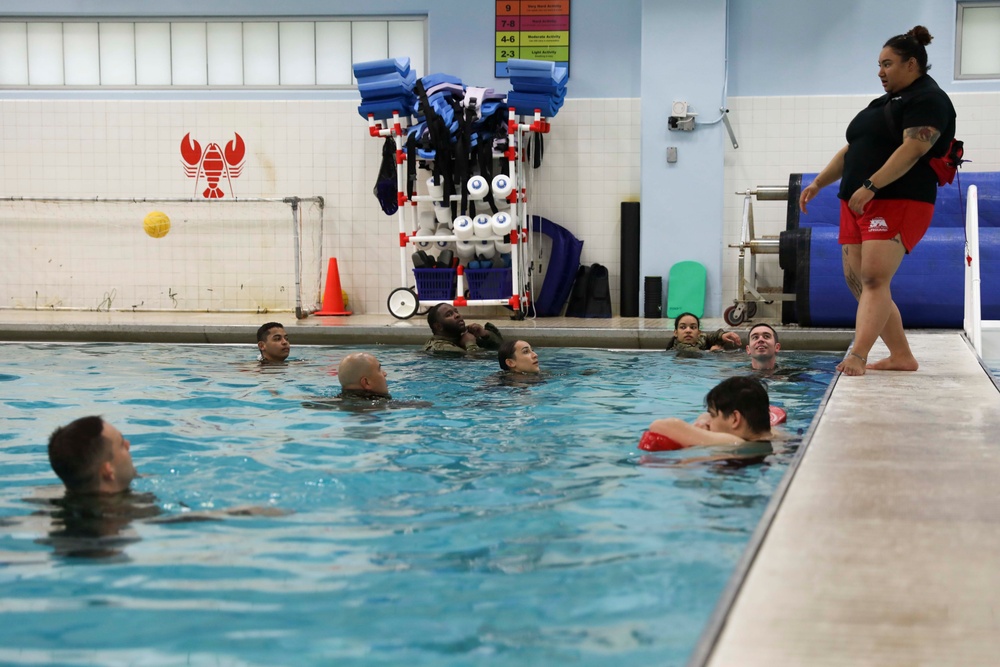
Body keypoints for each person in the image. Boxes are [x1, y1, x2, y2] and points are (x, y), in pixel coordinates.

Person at [798, 26, 956, 377]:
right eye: (879, 64)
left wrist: (871, 184)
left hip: (897, 198)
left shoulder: (929, 99)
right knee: (859, 281)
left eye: (887, 64)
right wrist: (820, 183)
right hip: (855, 201)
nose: (880, 71)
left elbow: (914, 148)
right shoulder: (882, 104)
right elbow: (853, 148)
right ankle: (901, 355)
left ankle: (859, 354)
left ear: (911, 64)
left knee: (872, 279)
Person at [647, 376, 778, 447]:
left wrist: (698, 428)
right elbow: (705, 415)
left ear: (735, 419)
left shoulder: (732, 442)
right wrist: (705, 420)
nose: (710, 422)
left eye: (713, 416)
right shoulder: (773, 434)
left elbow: (659, 426)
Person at [424, 304, 503, 355]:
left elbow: (501, 347)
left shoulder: (460, 338)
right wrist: (470, 344)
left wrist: (485, 335)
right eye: (449, 315)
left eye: (456, 311)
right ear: (438, 327)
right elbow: (476, 365)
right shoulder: (441, 348)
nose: (457, 315)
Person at [666, 312, 742, 355]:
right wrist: (712, 353)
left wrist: (722, 335)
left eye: (693, 327)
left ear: (698, 333)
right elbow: (694, 352)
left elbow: (710, 337)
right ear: (676, 333)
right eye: (683, 327)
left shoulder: (700, 339)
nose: (688, 330)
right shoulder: (678, 348)